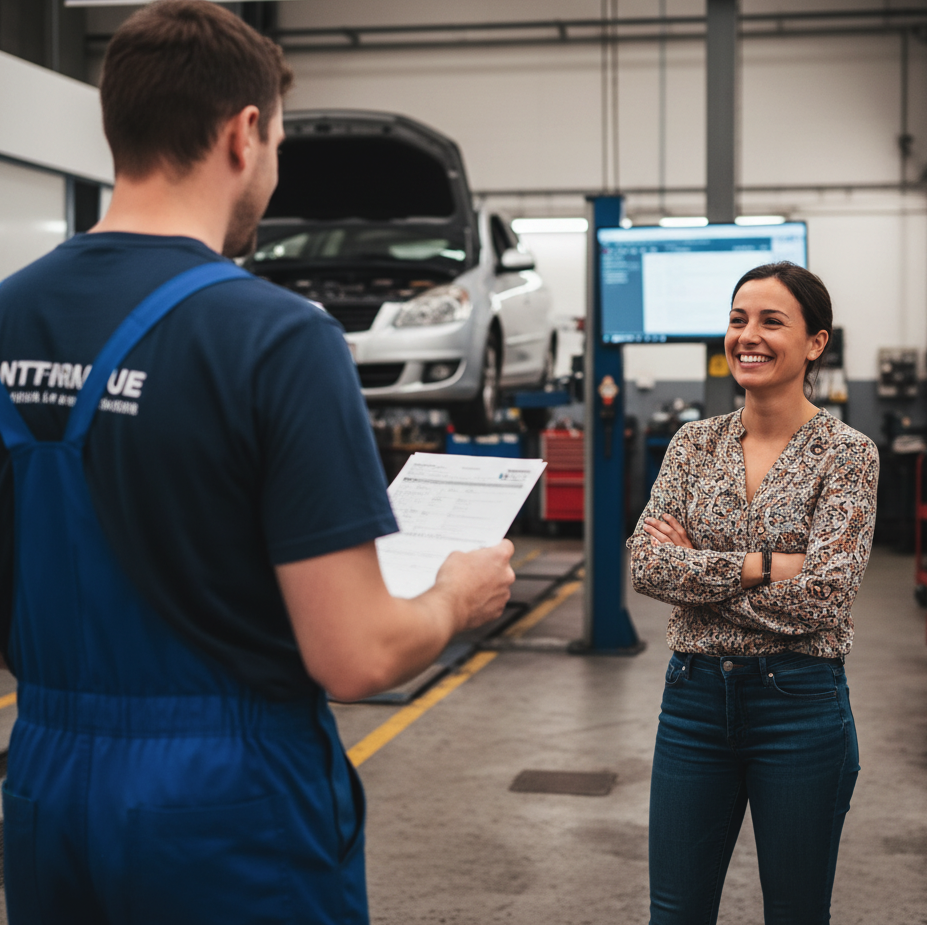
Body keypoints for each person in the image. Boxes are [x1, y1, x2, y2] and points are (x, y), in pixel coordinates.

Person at [0, 3, 514, 923]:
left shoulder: (9, 316)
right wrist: (453, 595)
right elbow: (355, 654)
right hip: (224, 799)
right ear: (244, 134)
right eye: (276, 142)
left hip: (44, 782)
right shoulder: (278, 338)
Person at [627, 262, 878, 925]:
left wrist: (695, 576)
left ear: (815, 343)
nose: (748, 336)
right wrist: (767, 566)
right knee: (674, 914)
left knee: (796, 913)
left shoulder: (847, 454)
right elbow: (646, 564)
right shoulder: (693, 444)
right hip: (692, 702)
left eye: (771, 321)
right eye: (738, 319)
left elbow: (826, 595)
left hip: (800, 704)